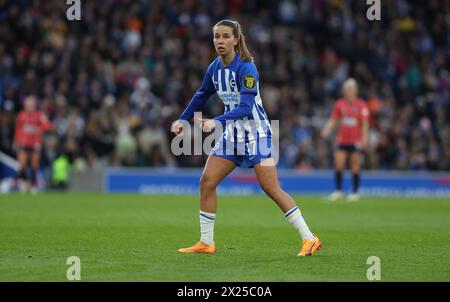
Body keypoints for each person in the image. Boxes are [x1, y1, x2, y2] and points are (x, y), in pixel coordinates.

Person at [171, 20, 321, 256]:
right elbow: (202, 94)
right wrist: (183, 119)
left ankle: (309, 238)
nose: (219, 41)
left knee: (270, 187)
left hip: (257, 134)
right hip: (232, 134)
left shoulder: (247, 68)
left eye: (224, 37)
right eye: (216, 37)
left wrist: (215, 121)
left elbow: (245, 106)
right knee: (207, 181)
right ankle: (206, 242)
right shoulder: (214, 68)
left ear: (235, 40)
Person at [321, 78, 369, 202]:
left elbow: (365, 123)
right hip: (342, 139)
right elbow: (334, 119)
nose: (348, 91)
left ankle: (355, 192)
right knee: (338, 164)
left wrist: (364, 138)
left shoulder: (362, 105)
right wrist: (327, 128)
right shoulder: (340, 104)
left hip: (355, 140)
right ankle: (338, 190)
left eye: (350, 89)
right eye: (346, 89)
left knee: (355, 165)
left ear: (355, 90)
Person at [13, 96, 52, 193]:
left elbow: (47, 125)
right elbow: (17, 129)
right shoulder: (21, 115)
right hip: (24, 142)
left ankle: (33, 185)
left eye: (31, 104)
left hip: (35, 143)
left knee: (35, 165)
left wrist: (38, 129)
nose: (29, 106)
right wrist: (16, 141)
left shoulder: (39, 115)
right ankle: (23, 183)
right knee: (22, 164)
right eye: (27, 104)